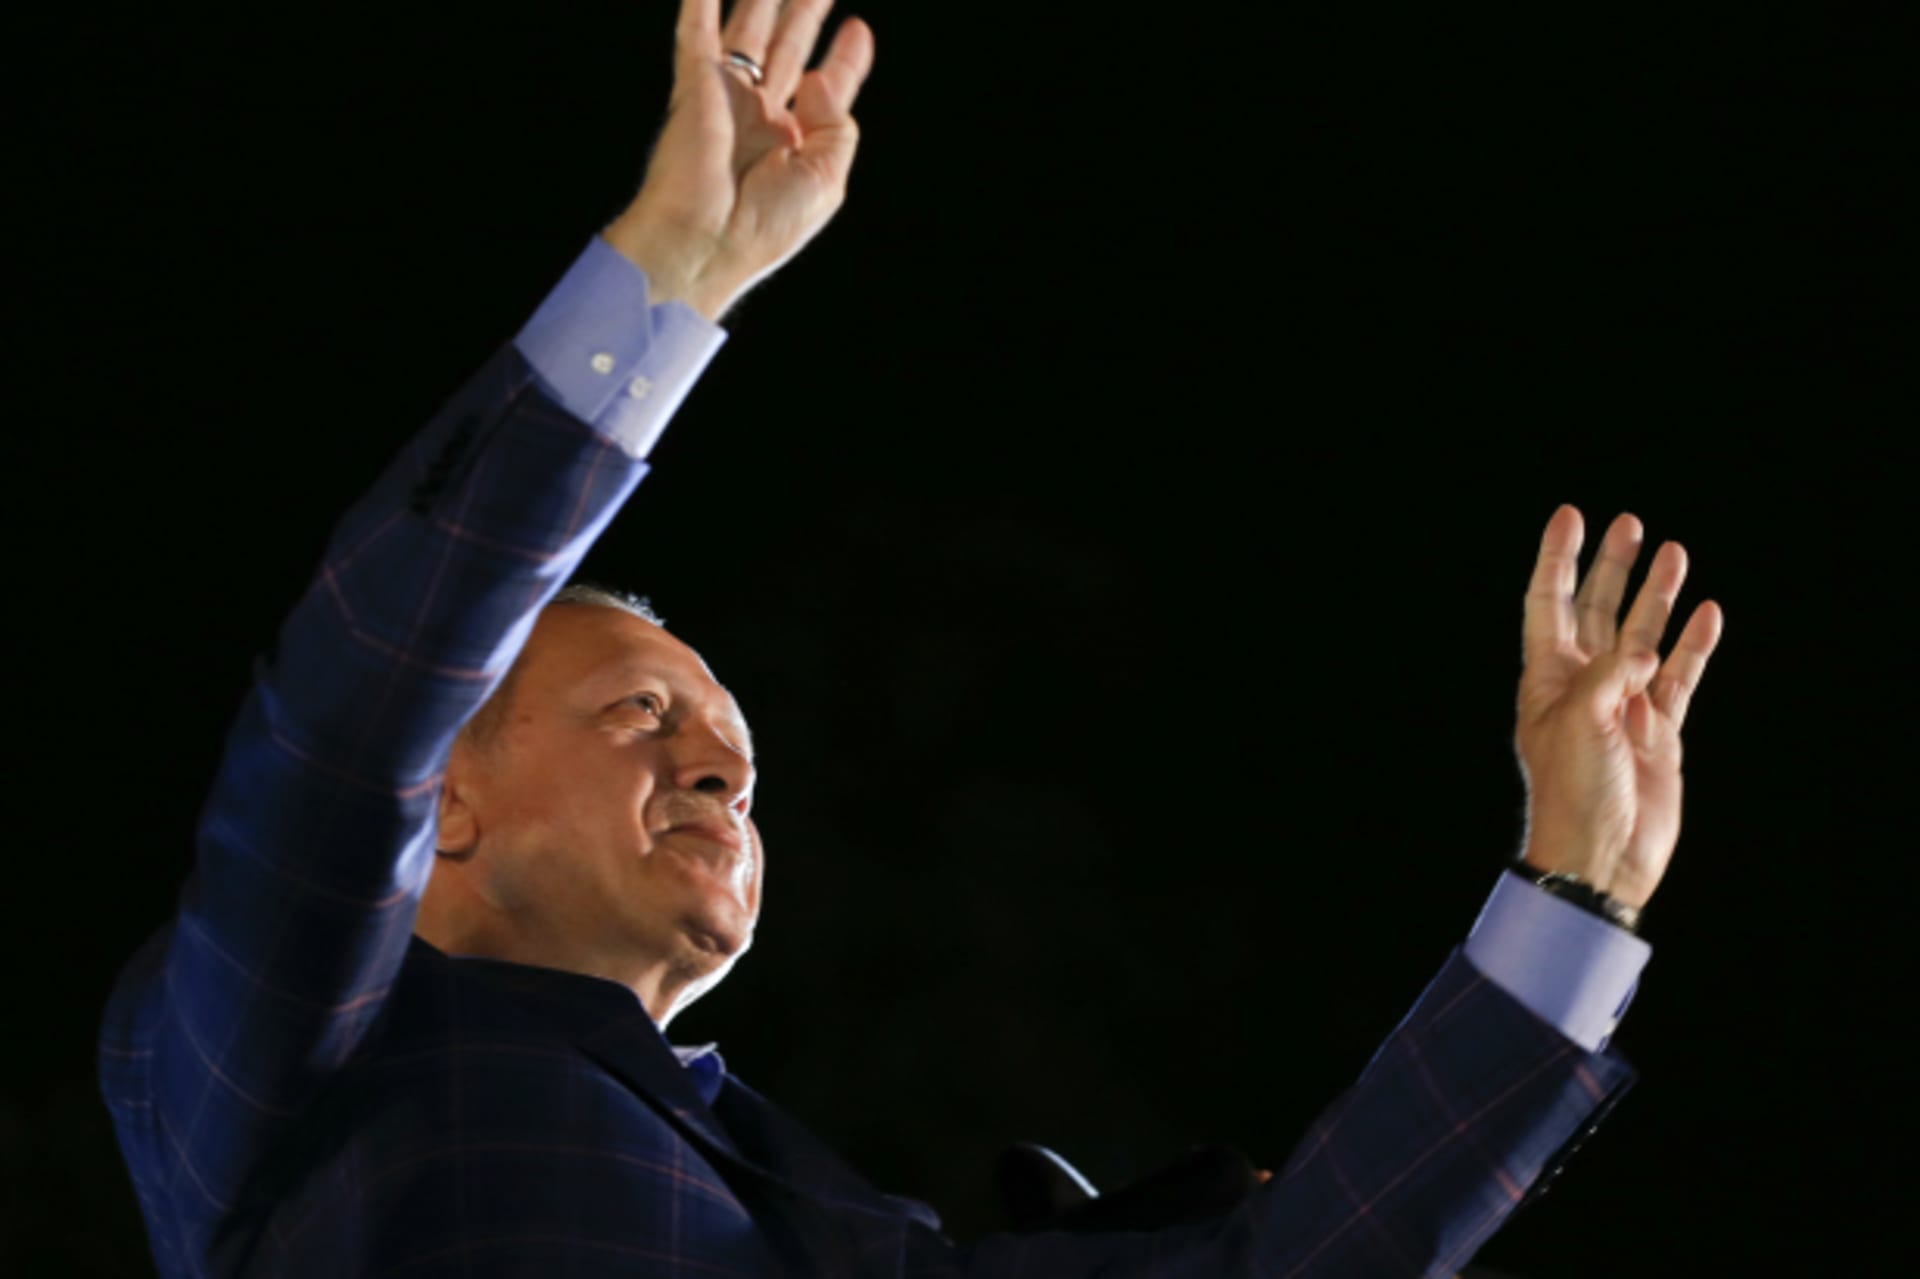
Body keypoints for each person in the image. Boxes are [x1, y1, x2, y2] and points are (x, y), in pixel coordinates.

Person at [97, 0, 1724, 1275]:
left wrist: (1573, 889)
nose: (722, 755)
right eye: (638, 711)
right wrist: (671, 278)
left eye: (726, 729)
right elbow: (353, 707)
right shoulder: (291, 1058)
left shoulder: (836, 1224)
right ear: (445, 800)